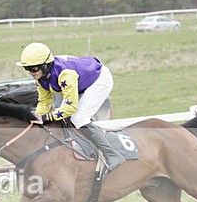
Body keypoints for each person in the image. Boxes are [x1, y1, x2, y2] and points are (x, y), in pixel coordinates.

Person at [17, 42, 125, 171]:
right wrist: (36, 117)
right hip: (80, 83)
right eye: (27, 68)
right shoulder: (41, 77)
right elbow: (45, 102)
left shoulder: (65, 74)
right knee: (63, 117)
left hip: (98, 80)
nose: (30, 72)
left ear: (45, 65)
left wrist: (46, 118)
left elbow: (70, 108)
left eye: (33, 68)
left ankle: (112, 155)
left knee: (79, 119)